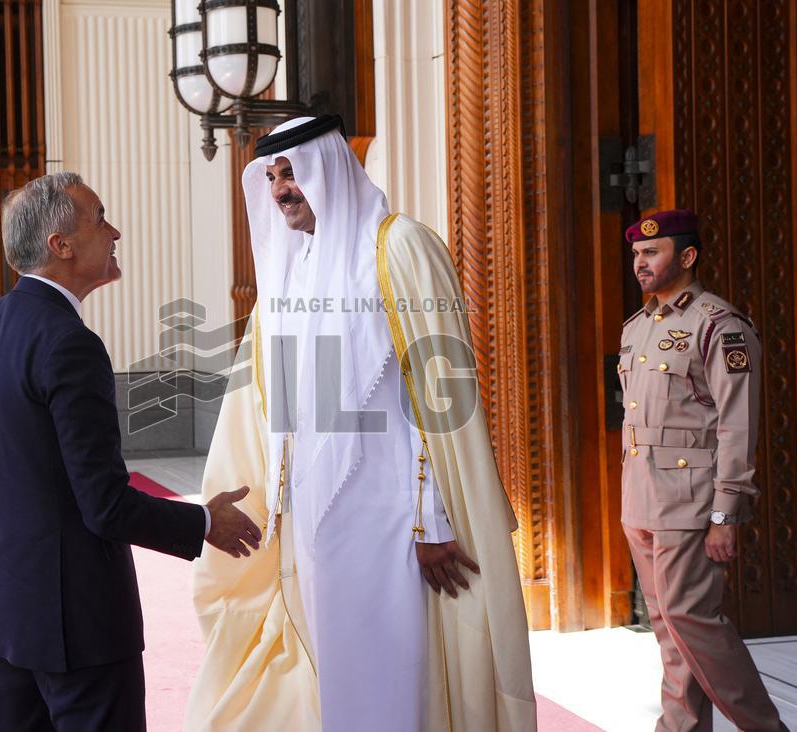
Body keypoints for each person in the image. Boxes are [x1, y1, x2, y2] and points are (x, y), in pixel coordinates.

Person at [185, 116, 535, 730]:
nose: (280, 191)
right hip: (315, 515)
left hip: (393, 515)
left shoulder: (398, 245)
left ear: (328, 168)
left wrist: (432, 518)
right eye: (271, 177)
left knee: (393, 663)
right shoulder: (291, 266)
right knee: (333, 661)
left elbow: (436, 395)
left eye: (291, 173)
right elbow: (274, 401)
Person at [0, 171, 260, 731]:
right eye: (99, 219)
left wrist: (17, 564)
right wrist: (205, 521)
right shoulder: (69, 343)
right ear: (60, 245)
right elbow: (104, 505)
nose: (114, 232)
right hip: (79, 623)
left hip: (2, 609)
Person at [620, 209, 787, 731]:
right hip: (641, 498)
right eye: (636, 255)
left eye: (652, 252)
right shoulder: (640, 327)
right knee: (670, 630)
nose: (640, 264)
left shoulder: (720, 325)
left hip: (691, 500)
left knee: (694, 622)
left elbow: (737, 426)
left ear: (687, 257)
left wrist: (726, 513)